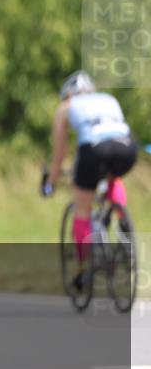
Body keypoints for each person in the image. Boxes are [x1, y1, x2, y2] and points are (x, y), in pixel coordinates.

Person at [42, 71, 137, 289]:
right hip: (126, 147)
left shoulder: (66, 107)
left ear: (67, 95)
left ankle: (83, 270)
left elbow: (60, 152)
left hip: (93, 149)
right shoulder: (108, 99)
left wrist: (51, 181)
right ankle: (122, 221)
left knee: (82, 210)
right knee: (112, 178)